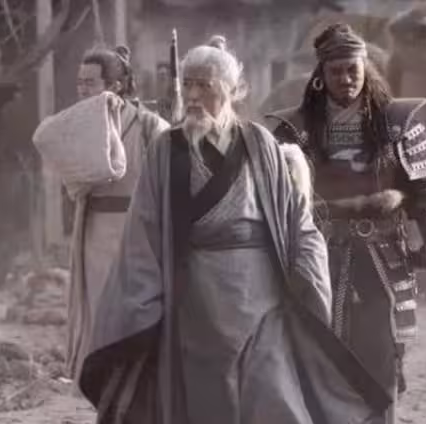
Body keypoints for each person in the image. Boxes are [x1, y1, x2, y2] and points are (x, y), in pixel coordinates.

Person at [76, 36, 390, 424]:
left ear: (233, 90)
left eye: (205, 85)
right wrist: (141, 302)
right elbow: (144, 229)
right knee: (208, 401)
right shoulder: (166, 148)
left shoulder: (260, 143)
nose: (193, 95)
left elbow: (297, 220)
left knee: (275, 398)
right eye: (188, 84)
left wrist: (310, 278)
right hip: (196, 298)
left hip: (261, 295)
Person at [267, 23, 426, 423]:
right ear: (321, 75)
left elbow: (424, 188)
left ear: (365, 68)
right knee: (318, 353)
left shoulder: (397, 122)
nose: (346, 79)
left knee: (380, 356)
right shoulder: (294, 130)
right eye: (336, 71)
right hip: (317, 255)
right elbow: (275, 199)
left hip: (381, 256)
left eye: (352, 69)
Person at [66, 45, 169, 379]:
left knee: (137, 308)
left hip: (139, 231)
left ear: (116, 86)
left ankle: (138, 382)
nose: (82, 90)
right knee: (99, 309)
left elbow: (169, 181)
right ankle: (102, 382)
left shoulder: (150, 126)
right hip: (95, 231)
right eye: (79, 83)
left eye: (90, 83)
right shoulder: (78, 127)